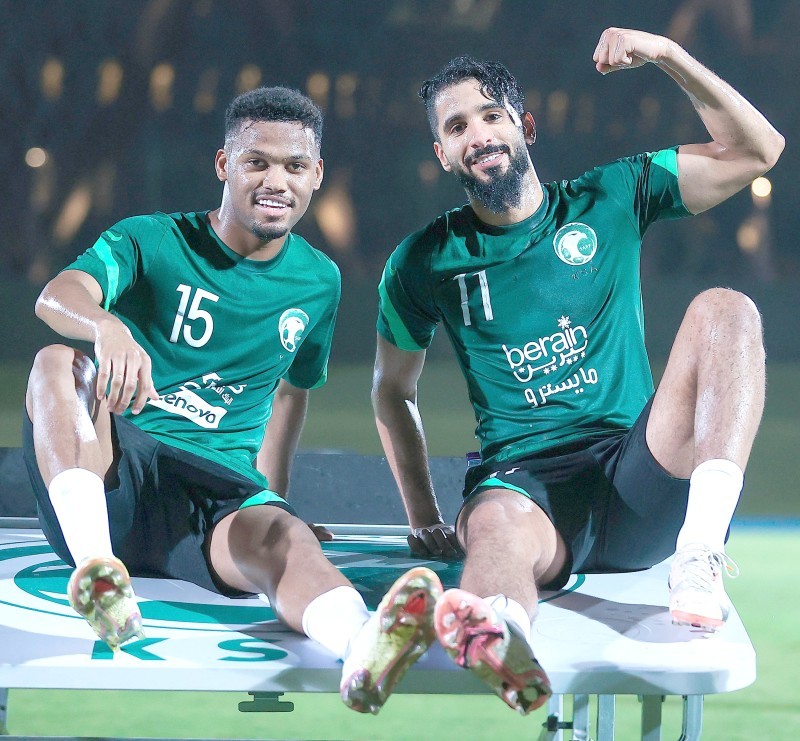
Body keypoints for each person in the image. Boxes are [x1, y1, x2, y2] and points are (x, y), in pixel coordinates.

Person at [367, 27, 784, 714]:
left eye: (492, 114)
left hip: (638, 472)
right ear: (442, 153)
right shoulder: (423, 260)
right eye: (457, 126)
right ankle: (502, 636)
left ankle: (700, 557)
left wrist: (668, 55)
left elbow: (757, 150)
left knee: (727, 309)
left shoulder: (611, 195)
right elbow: (391, 391)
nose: (479, 134)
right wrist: (423, 517)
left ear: (525, 126)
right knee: (494, 526)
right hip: (527, 489)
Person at [23, 85, 440, 715]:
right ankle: (98, 574)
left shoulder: (319, 281)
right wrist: (106, 326)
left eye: (295, 166)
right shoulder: (153, 239)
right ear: (224, 165)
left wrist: (277, 501)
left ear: (316, 175)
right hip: (114, 477)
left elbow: (291, 395)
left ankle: (363, 648)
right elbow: (57, 295)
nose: (277, 181)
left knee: (285, 542)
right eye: (258, 162)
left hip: (214, 497)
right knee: (57, 362)